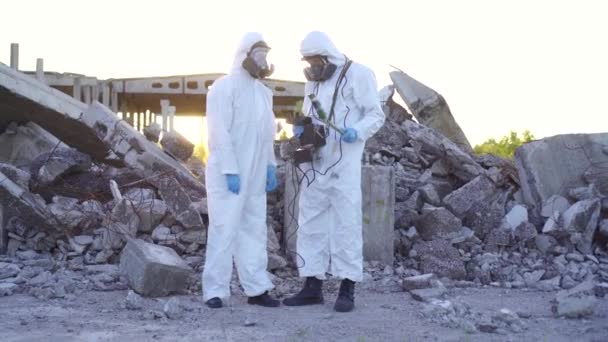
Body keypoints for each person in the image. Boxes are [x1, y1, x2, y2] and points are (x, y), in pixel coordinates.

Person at [283, 31, 385, 312]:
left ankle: (347, 287)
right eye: (308, 61)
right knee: (310, 221)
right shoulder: (312, 83)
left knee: (345, 224)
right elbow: (309, 113)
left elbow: (375, 114)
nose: (312, 66)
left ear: (328, 55)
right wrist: (302, 129)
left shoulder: (359, 74)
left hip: (344, 164)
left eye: (316, 60)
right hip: (316, 163)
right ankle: (312, 286)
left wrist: (358, 131)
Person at [202, 32, 280, 309]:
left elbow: (267, 133)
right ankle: (215, 290)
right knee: (224, 229)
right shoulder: (223, 88)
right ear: (245, 55)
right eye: (259, 55)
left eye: (266, 56)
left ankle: (257, 289)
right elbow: (218, 131)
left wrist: (270, 166)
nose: (263, 61)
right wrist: (230, 169)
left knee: (254, 229)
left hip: (257, 173)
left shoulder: (264, 93)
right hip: (228, 175)